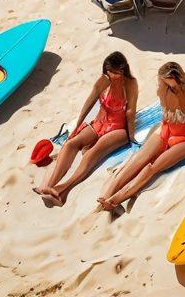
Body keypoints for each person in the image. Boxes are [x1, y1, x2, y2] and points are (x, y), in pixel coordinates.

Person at [97, 62, 185, 216]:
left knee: (151, 168)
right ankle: (107, 194)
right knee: (137, 160)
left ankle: (117, 198)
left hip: (183, 139)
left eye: (164, 81)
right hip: (165, 130)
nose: (161, 85)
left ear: (176, 77)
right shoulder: (163, 90)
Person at [33, 52, 138, 207]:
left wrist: (131, 136)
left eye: (118, 72)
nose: (115, 75)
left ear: (124, 70)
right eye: (111, 72)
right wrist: (76, 127)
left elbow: (130, 112)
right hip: (99, 124)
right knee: (71, 144)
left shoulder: (130, 83)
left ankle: (62, 191)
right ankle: (49, 185)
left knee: (91, 153)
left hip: (118, 128)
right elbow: (89, 103)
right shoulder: (103, 81)